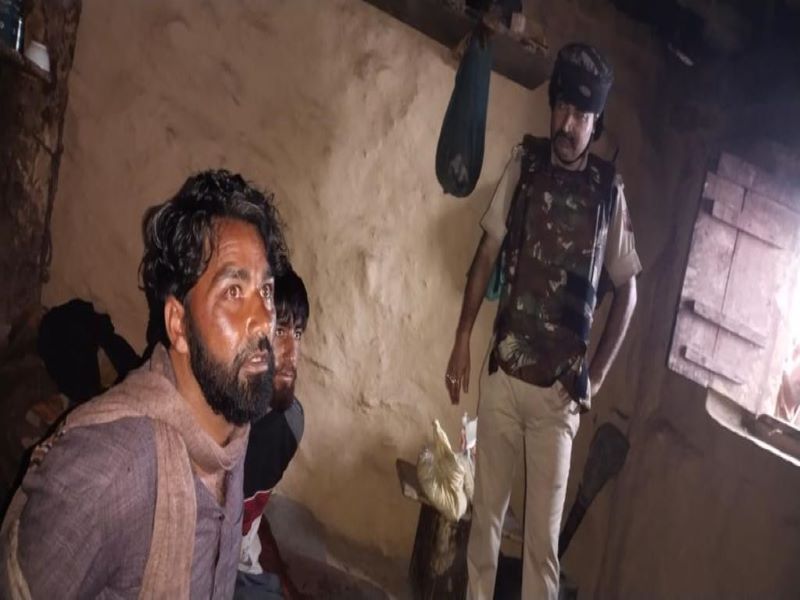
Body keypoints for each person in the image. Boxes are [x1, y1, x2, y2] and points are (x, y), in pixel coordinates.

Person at [0, 169, 288, 599]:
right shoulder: (107, 472)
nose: (264, 319)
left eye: (265, 290)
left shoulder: (231, 431)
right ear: (178, 325)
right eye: (233, 291)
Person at [444, 43, 641, 599]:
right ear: (553, 107)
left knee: (541, 549)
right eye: (563, 108)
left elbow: (628, 291)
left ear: (595, 124)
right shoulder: (524, 166)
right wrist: (462, 337)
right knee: (484, 524)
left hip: (558, 399)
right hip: (505, 378)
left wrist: (595, 378)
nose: (568, 124)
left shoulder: (607, 193)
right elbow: (486, 254)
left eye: (582, 116)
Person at [235, 268, 309, 600]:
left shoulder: (289, 424)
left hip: (244, 571)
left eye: (298, 332)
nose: (292, 353)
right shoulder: (215, 430)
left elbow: (252, 519)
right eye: (279, 330)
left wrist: (282, 582)